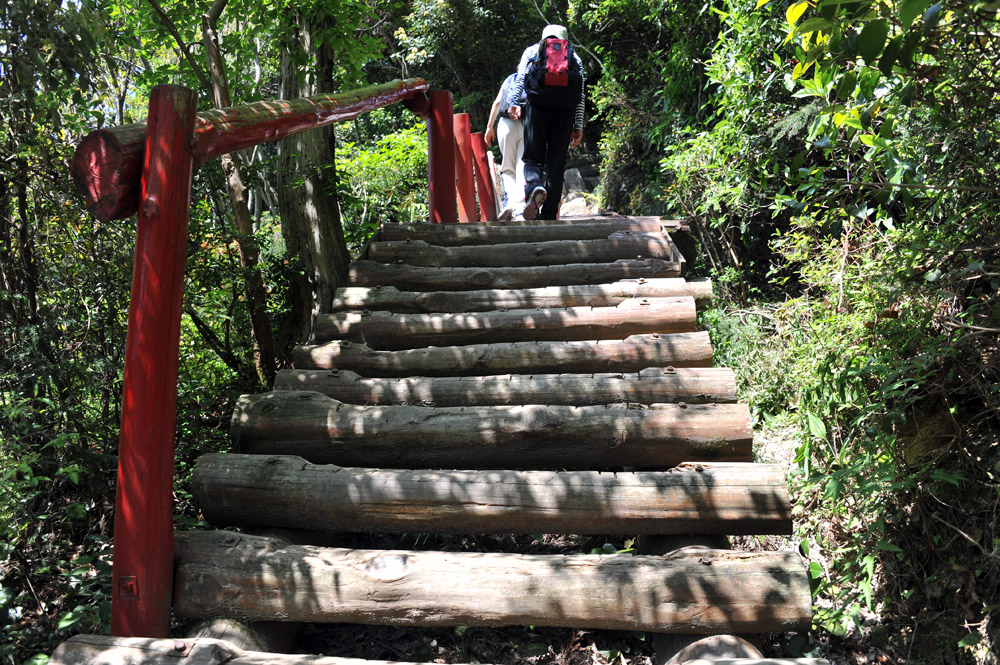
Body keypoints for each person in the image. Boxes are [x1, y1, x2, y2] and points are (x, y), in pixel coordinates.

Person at [508, 24, 585, 220]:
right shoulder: (574, 58)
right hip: (565, 113)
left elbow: (521, 78)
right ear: (565, 39)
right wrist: (578, 125)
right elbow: (580, 94)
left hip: (537, 110)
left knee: (533, 158)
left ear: (544, 37)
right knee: (556, 165)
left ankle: (535, 186)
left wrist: (513, 102)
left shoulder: (533, 51)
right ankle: (549, 215)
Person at [484, 72, 525, 220]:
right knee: (522, 167)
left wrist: (489, 127)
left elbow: (497, 103)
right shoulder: (533, 77)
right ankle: (520, 208)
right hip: (526, 125)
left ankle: (510, 204)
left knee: (507, 167)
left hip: (507, 124)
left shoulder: (511, 78)